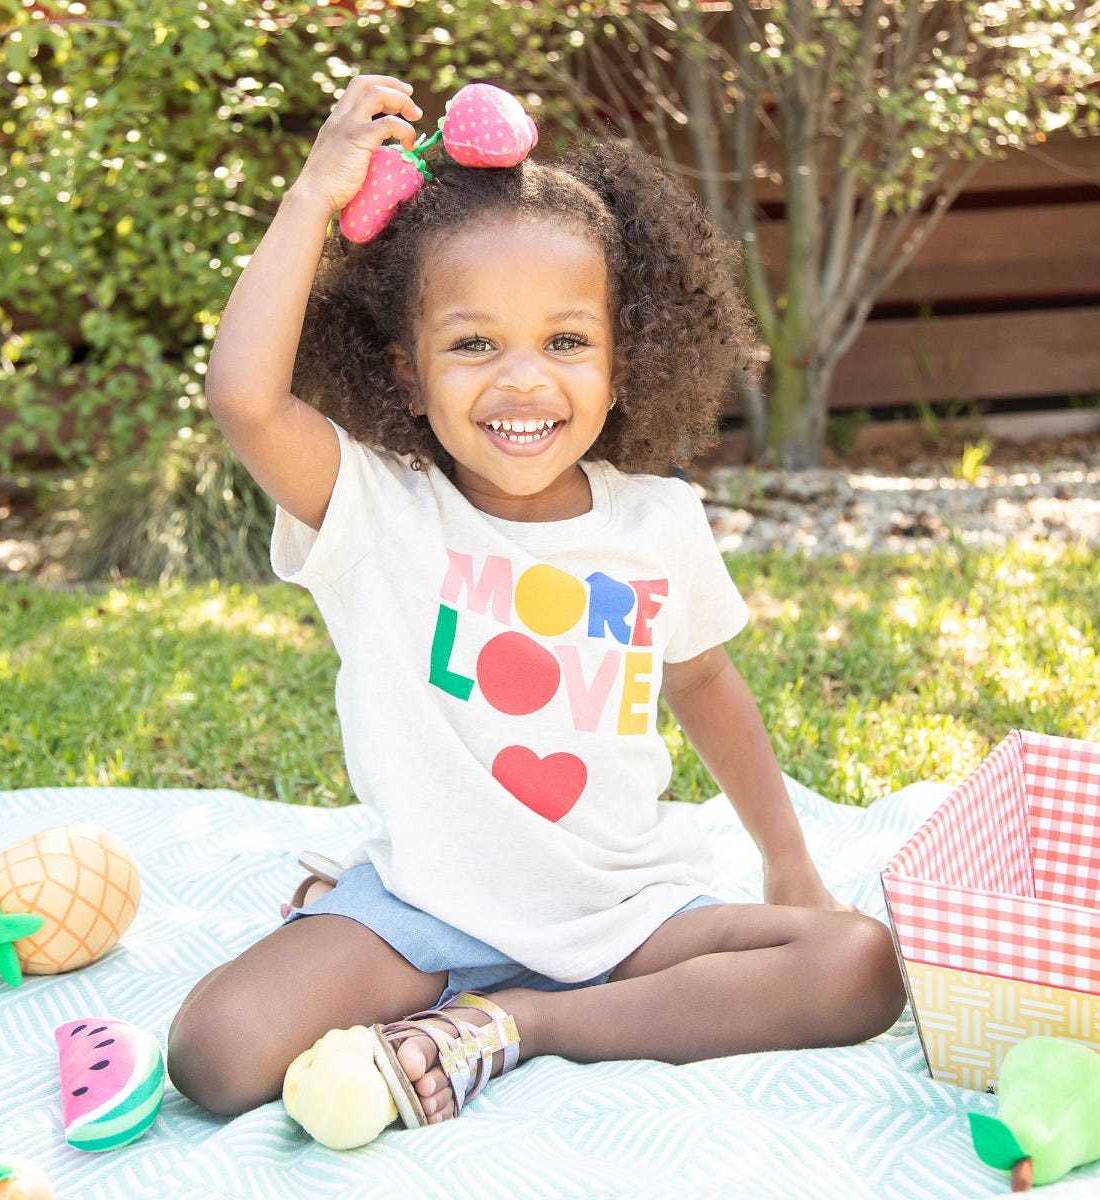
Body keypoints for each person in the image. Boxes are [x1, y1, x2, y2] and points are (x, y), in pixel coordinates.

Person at [167, 73, 906, 1135]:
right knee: (216, 1053)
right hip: (422, 911)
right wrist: (310, 198)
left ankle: (513, 1026)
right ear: (406, 372)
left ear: (625, 362)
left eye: (566, 342)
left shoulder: (658, 523)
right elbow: (244, 396)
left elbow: (704, 680)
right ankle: (451, 988)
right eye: (474, 344)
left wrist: (792, 871)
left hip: (624, 912)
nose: (524, 381)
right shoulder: (374, 508)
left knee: (858, 965)